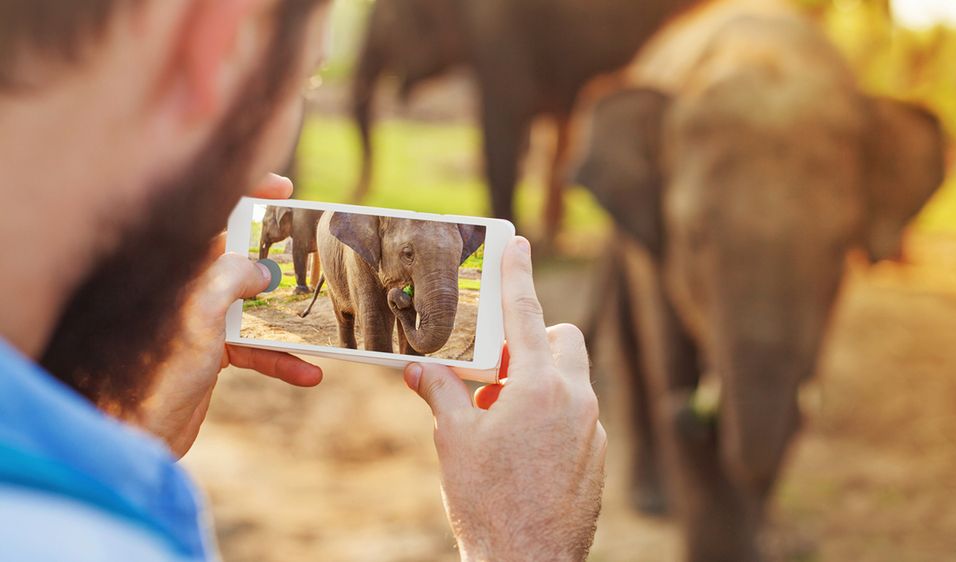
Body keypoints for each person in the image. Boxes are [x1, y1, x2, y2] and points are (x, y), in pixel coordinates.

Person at [0, 1, 606, 560]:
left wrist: (119, 449)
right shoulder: (103, 539)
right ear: (220, 41)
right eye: (306, 82)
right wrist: (524, 541)